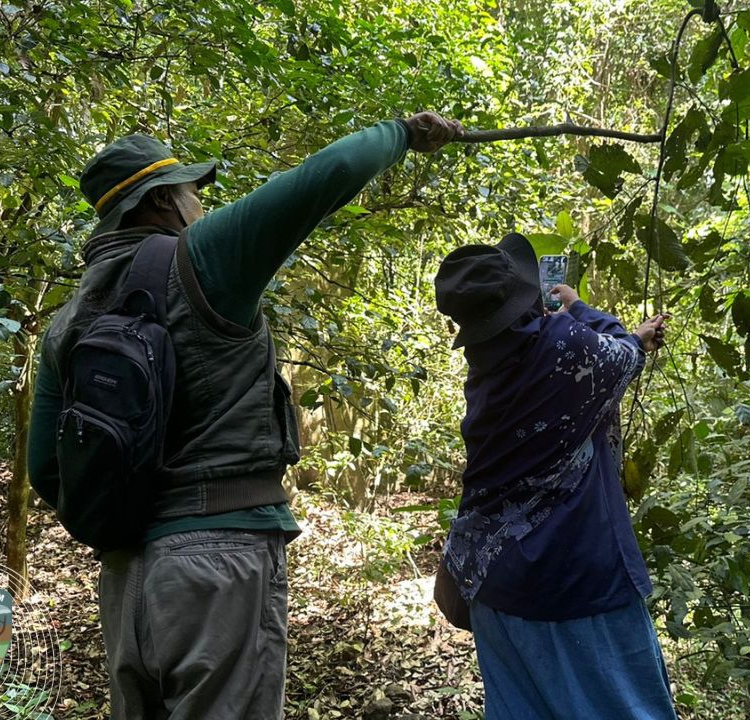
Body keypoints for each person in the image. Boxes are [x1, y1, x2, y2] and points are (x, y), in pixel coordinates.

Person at [27, 112, 462, 719]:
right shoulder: (203, 259)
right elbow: (327, 174)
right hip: (220, 562)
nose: (199, 205)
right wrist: (404, 134)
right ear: (162, 201)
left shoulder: (69, 319)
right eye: (192, 192)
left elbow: (47, 470)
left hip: (125, 577)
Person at [433, 233, 677, 719]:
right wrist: (579, 307)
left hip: (492, 581)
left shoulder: (485, 372)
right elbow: (625, 354)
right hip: (575, 585)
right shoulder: (566, 345)